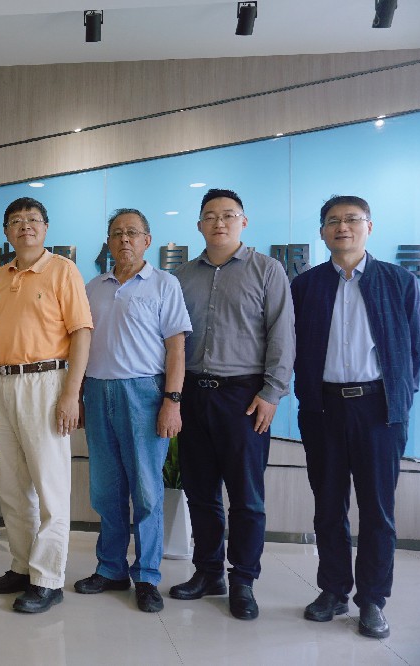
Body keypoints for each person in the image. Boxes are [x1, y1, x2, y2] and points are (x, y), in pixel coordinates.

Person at [292, 195, 420, 639]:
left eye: (352, 219)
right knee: (328, 506)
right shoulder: (306, 286)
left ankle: (372, 599)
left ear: (369, 226)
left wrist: (401, 396)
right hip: (323, 408)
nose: (342, 227)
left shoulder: (399, 281)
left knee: (377, 510)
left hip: (378, 410)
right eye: (333, 221)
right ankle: (333, 590)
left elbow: (415, 347)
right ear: (322, 231)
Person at [171, 188, 295, 620]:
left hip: (244, 396)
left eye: (228, 215)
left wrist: (271, 393)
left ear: (243, 221)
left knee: (246, 497)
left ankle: (243, 579)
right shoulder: (182, 276)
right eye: (210, 216)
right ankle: (208, 573)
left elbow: (282, 334)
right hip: (192, 394)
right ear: (199, 225)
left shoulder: (267, 269)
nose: (219, 222)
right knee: (200, 492)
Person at [0, 197, 92, 614]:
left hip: (46, 382)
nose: (24, 226)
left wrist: (70, 394)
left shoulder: (63, 270)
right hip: (2, 383)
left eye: (32, 220)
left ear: (45, 228)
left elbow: (82, 333)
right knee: (12, 486)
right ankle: (23, 566)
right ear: (6, 232)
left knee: (49, 487)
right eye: (16, 221)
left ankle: (48, 579)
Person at [76, 209, 191, 613]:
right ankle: (110, 569)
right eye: (116, 233)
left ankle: (146, 575)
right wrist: (77, 396)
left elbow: (176, 349)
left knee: (146, 491)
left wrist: (172, 401)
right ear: (108, 242)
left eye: (132, 233)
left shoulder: (164, 284)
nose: (124, 239)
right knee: (106, 491)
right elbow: (80, 347)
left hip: (144, 394)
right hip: (97, 392)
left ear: (147, 240)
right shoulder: (93, 287)